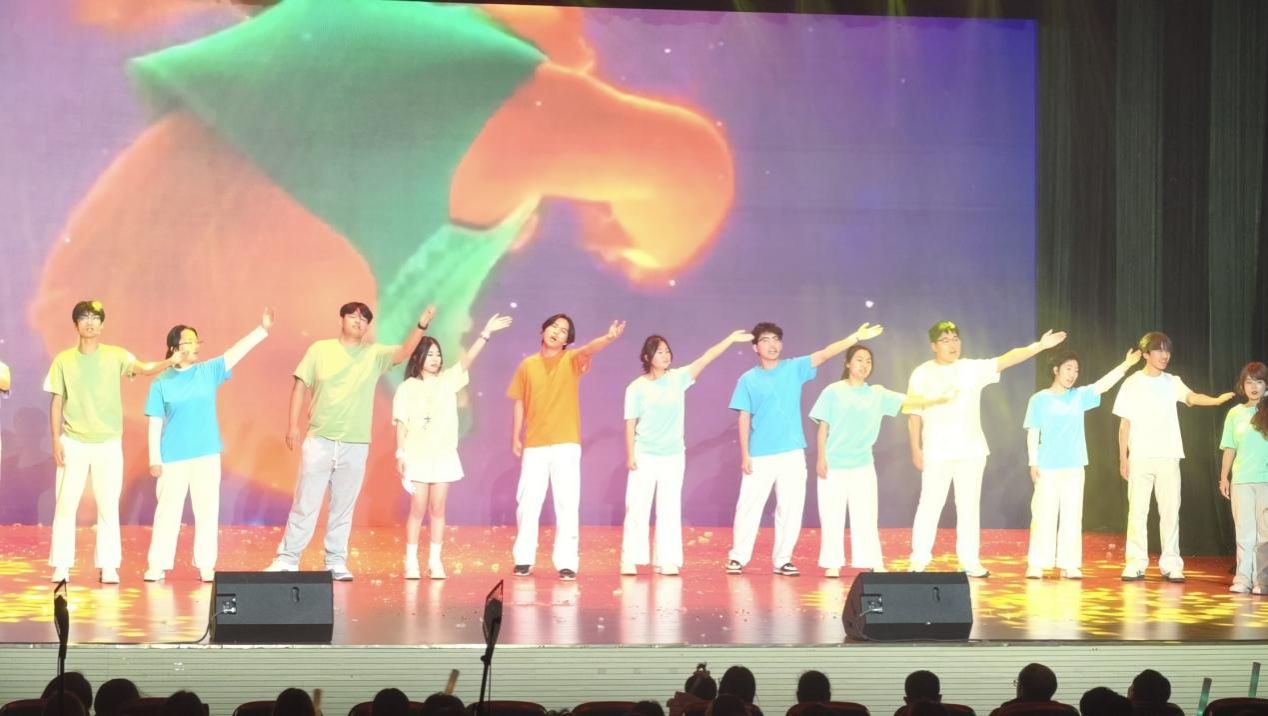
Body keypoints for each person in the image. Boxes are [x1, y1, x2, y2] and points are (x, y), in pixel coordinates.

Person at [266, 301, 434, 581]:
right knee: (306, 502)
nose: (359, 321)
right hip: (320, 439)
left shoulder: (374, 354)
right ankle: (288, 558)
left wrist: (422, 325)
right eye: (353, 316)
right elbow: (300, 385)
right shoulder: (320, 350)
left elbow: (405, 351)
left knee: (343, 507)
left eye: (364, 318)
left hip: (355, 444)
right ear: (341, 320)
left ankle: (335, 561)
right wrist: (293, 425)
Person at [906, 321, 1067, 577]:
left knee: (969, 507)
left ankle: (969, 561)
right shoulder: (921, 373)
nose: (952, 344)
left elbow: (1006, 359)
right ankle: (918, 560)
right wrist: (916, 449)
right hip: (936, 451)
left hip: (971, 451)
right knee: (929, 505)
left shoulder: (970, 368)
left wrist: (1040, 346)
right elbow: (913, 413)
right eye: (945, 340)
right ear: (933, 346)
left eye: (955, 339)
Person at [725, 322, 884, 576]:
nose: (772, 344)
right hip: (760, 454)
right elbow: (743, 417)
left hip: (792, 453)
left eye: (776, 339)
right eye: (765, 340)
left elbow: (825, 353)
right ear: (755, 347)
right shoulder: (748, 379)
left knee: (790, 508)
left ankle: (783, 560)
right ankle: (738, 557)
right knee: (748, 507)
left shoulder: (794, 368)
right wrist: (745, 454)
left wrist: (855, 337)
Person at [45, 300, 184, 584]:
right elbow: (57, 402)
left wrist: (170, 361)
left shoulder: (116, 355)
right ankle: (61, 564)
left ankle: (108, 565)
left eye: (95, 318)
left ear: (102, 324)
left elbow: (143, 368)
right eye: (84, 317)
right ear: (75, 324)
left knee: (108, 505)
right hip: (73, 442)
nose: (90, 322)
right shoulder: (63, 360)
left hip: (108, 444)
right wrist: (55, 441)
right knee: (65, 505)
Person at [144, 309, 273, 583]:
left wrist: (261, 329)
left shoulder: (207, 371)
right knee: (167, 512)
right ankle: (157, 565)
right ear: (174, 347)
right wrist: (154, 459)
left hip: (206, 454)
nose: (195, 345)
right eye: (188, 341)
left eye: (196, 340)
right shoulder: (161, 382)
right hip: (173, 457)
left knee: (207, 510)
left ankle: (205, 565)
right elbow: (155, 422)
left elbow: (235, 352)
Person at [810, 344, 954, 577]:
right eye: (859, 360)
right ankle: (833, 562)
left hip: (862, 465)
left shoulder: (877, 394)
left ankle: (871, 560)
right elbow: (823, 427)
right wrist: (821, 458)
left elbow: (911, 401)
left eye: (868, 361)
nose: (864, 365)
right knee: (831, 516)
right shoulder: (833, 391)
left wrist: (940, 398)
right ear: (848, 363)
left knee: (866, 516)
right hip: (833, 464)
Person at [620, 329, 752, 576]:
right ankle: (630, 558)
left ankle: (667, 560)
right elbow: (630, 423)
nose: (666, 355)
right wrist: (630, 455)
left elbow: (706, 357)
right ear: (647, 357)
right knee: (637, 507)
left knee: (669, 508)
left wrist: (730, 339)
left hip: (672, 456)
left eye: (667, 351)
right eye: (659, 352)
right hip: (645, 454)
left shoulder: (678, 378)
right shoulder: (636, 388)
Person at [395, 313, 513, 580]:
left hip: (443, 455)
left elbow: (467, 360)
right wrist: (400, 454)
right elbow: (401, 424)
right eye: (430, 354)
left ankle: (435, 561)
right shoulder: (407, 388)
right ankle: (411, 561)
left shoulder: (448, 380)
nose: (435, 358)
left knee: (438, 509)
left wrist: (485, 333)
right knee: (418, 508)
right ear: (418, 357)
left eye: (438, 354)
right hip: (416, 456)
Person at [508, 314, 625, 580]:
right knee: (527, 503)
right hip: (535, 444)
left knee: (567, 503)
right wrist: (516, 436)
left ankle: (567, 562)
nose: (556, 332)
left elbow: (589, 349)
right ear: (542, 330)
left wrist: (608, 338)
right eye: (553, 327)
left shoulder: (571, 360)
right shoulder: (527, 365)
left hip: (566, 444)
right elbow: (519, 402)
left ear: (566, 341)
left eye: (563, 331)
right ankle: (523, 559)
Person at [1113, 331, 1234, 582]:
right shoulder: (1132, 383)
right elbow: (1124, 424)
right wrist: (1123, 458)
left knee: (1170, 512)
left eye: (1167, 350)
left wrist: (1215, 401)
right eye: (1159, 350)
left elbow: (1191, 397)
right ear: (1145, 354)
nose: (1165, 355)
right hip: (1140, 456)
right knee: (1137, 512)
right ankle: (1135, 563)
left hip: (1169, 455)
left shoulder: (1172, 381)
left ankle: (1171, 564)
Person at [1021, 348, 1141, 580]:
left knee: (1072, 515)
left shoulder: (1079, 396)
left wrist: (1126, 364)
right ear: (1055, 370)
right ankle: (1038, 563)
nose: (1072, 374)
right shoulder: (1039, 399)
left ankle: (1069, 564)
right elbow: (1033, 432)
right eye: (1068, 369)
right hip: (1047, 466)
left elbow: (1103, 385)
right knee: (1043, 514)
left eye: (1076, 370)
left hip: (1074, 465)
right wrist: (1033, 462)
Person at [1218, 362, 1268, 594]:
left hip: (1266, 480)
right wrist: (1223, 477)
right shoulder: (1235, 413)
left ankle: (1262, 581)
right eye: (1249, 382)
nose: (1254, 387)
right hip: (1241, 480)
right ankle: (1242, 578)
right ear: (1242, 385)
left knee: (1264, 533)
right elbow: (1229, 447)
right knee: (1244, 531)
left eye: (1259, 381)